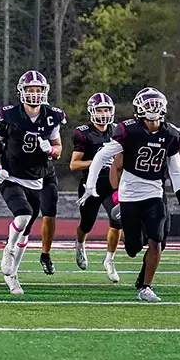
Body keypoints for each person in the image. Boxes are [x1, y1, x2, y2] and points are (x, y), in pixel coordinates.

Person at [82, 87, 180, 303]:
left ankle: (146, 286)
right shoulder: (128, 130)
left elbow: (175, 169)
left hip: (154, 192)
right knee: (133, 248)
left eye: (156, 103)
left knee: (157, 240)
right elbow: (100, 157)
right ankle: (129, 231)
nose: (152, 108)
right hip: (129, 193)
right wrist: (90, 186)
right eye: (148, 103)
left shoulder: (171, 134)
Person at [0, 70, 65, 296]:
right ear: (21, 92)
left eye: (38, 90)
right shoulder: (9, 115)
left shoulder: (52, 116)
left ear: (44, 92)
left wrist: (52, 150)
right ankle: (8, 249)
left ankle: (13, 276)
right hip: (10, 176)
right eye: (30, 90)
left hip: (36, 179)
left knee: (27, 231)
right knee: (23, 215)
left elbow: (58, 148)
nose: (34, 94)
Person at [70, 92, 123, 283]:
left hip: (111, 184)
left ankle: (110, 260)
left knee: (117, 219)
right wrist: (97, 161)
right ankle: (80, 243)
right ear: (92, 112)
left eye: (106, 109)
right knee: (87, 223)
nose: (103, 113)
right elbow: (74, 165)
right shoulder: (83, 133)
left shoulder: (118, 130)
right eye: (99, 109)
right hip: (90, 185)